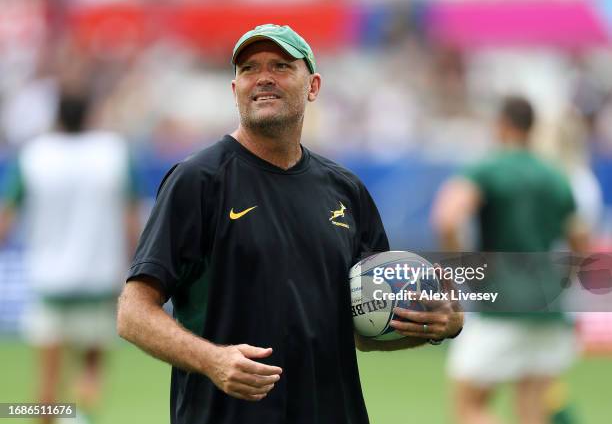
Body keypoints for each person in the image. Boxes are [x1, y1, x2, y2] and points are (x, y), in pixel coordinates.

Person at [117, 24, 463, 424]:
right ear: (235, 91)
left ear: (313, 85)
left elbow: (364, 330)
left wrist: (436, 325)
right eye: (248, 68)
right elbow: (133, 313)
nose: (263, 77)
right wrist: (212, 360)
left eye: (281, 65)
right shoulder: (198, 181)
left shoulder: (346, 190)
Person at [432, 96, 589, 424]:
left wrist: (465, 271)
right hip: (549, 305)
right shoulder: (555, 175)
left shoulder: (488, 168)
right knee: (532, 409)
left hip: (501, 303)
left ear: (502, 125)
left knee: (469, 406)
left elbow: (447, 218)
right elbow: (581, 240)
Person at [0, 91, 141, 424]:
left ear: (57, 116)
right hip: (100, 279)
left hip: (51, 282)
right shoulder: (114, 152)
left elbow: (6, 220)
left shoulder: (34, 155)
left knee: (48, 384)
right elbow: (131, 219)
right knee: (90, 378)